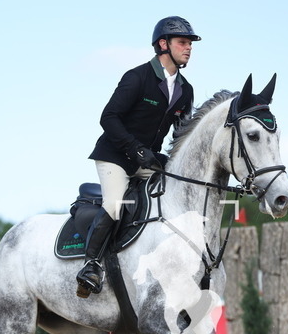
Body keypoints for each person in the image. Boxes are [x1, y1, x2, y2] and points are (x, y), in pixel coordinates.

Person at [76, 16, 201, 297]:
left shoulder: (186, 90)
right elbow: (108, 117)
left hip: (147, 160)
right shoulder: (137, 77)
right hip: (115, 156)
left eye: (190, 44)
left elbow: (182, 136)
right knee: (115, 203)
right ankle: (91, 265)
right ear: (163, 44)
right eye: (183, 42)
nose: (189, 48)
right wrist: (135, 149)